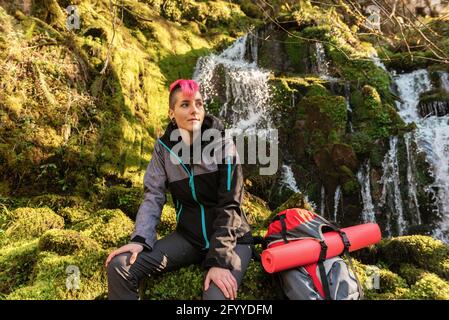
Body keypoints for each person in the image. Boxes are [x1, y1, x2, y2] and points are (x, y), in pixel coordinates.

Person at [105, 79, 253, 300]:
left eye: (199, 104)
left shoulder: (224, 144)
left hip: (233, 240)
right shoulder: (163, 149)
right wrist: (140, 240)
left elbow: (230, 204)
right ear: (171, 113)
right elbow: (153, 195)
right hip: (189, 239)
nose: (194, 110)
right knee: (120, 266)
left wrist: (220, 260)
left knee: (215, 297)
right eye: (185, 104)